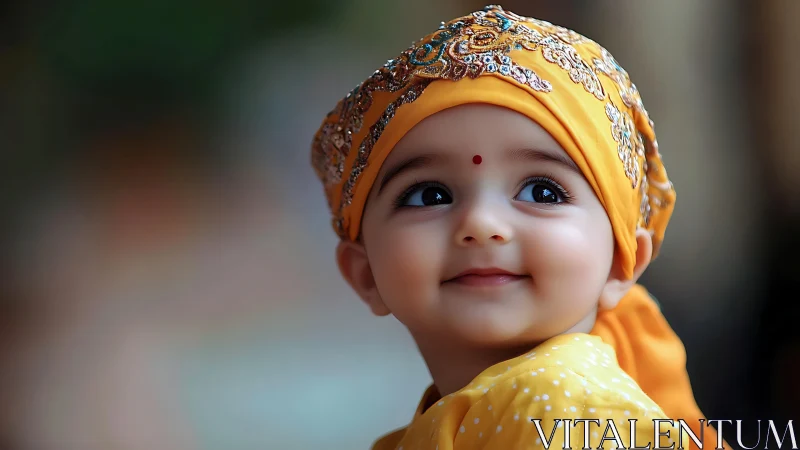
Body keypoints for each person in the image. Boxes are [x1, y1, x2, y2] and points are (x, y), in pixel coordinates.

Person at [310, 5, 725, 449]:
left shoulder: (563, 407)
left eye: (542, 192)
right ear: (365, 273)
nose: (481, 223)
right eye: (430, 194)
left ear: (622, 263)